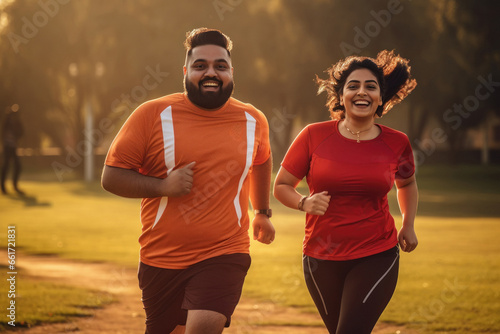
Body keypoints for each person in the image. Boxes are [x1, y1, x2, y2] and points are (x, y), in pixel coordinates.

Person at [101, 28, 275, 334]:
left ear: (231, 72)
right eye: (200, 66)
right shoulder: (152, 114)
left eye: (220, 66)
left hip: (226, 251)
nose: (211, 73)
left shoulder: (252, 120)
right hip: (161, 257)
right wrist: (163, 187)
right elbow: (111, 176)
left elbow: (261, 161)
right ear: (186, 71)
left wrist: (261, 212)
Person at [273, 50, 418, 333]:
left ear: (380, 98)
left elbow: (408, 183)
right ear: (340, 97)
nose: (361, 92)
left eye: (370, 86)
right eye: (353, 86)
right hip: (320, 257)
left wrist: (408, 225)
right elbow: (280, 186)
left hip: (377, 253)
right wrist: (304, 202)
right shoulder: (313, 135)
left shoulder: (397, 142)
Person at [1, 105, 24, 195]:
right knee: (6, 166)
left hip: (13, 146)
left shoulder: (17, 123)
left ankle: (15, 186)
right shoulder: (6, 122)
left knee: (17, 166)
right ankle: (3, 187)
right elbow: (2, 133)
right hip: (7, 146)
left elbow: (21, 133)